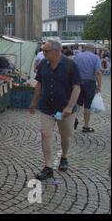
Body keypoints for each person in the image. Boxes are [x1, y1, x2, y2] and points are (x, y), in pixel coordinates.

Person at [30, 40, 81, 181]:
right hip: (46, 107)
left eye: (46, 51)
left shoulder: (70, 65)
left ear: (57, 51)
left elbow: (77, 87)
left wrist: (70, 107)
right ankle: (48, 167)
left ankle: (64, 156)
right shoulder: (43, 64)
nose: (43, 53)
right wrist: (34, 101)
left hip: (65, 108)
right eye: (43, 50)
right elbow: (39, 83)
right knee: (45, 135)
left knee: (65, 135)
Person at [73, 43, 102, 133]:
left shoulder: (77, 56)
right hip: (89, 82)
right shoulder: (95, 57)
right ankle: (86, 126)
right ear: (93, 49)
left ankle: (75, 118)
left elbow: (72, 69)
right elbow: (98, 72)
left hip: (78, 81)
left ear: (84, 49)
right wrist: (99, 85)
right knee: (87, 104)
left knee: (77, 102)